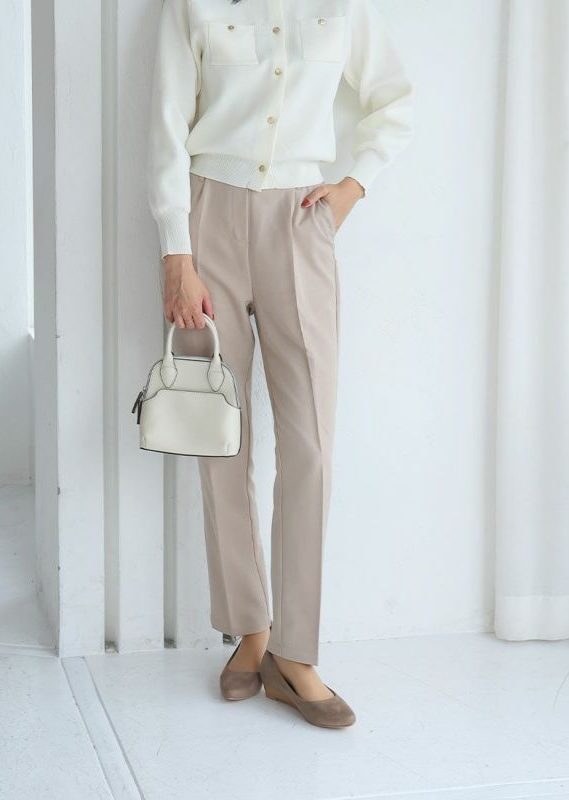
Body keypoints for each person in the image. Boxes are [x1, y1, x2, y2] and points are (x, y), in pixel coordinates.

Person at [146, 0, 413, 728]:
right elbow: (166, 123)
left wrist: (354, 185)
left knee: (311, 446)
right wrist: (176, 253)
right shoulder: (192, 6)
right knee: (221, 439)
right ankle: (249, 630)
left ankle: (296, 655)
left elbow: (395, 99)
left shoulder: (345, 8)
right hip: (208, 217)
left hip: (302, 219)